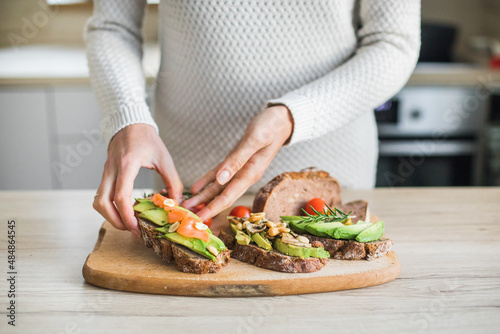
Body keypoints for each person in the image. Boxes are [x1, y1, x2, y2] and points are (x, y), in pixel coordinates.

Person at [86, 0, 420, 237]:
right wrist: (128, 116)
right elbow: (112, 26)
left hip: (329, 183)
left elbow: (393, 42)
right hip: (190, 186)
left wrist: (293, 116)